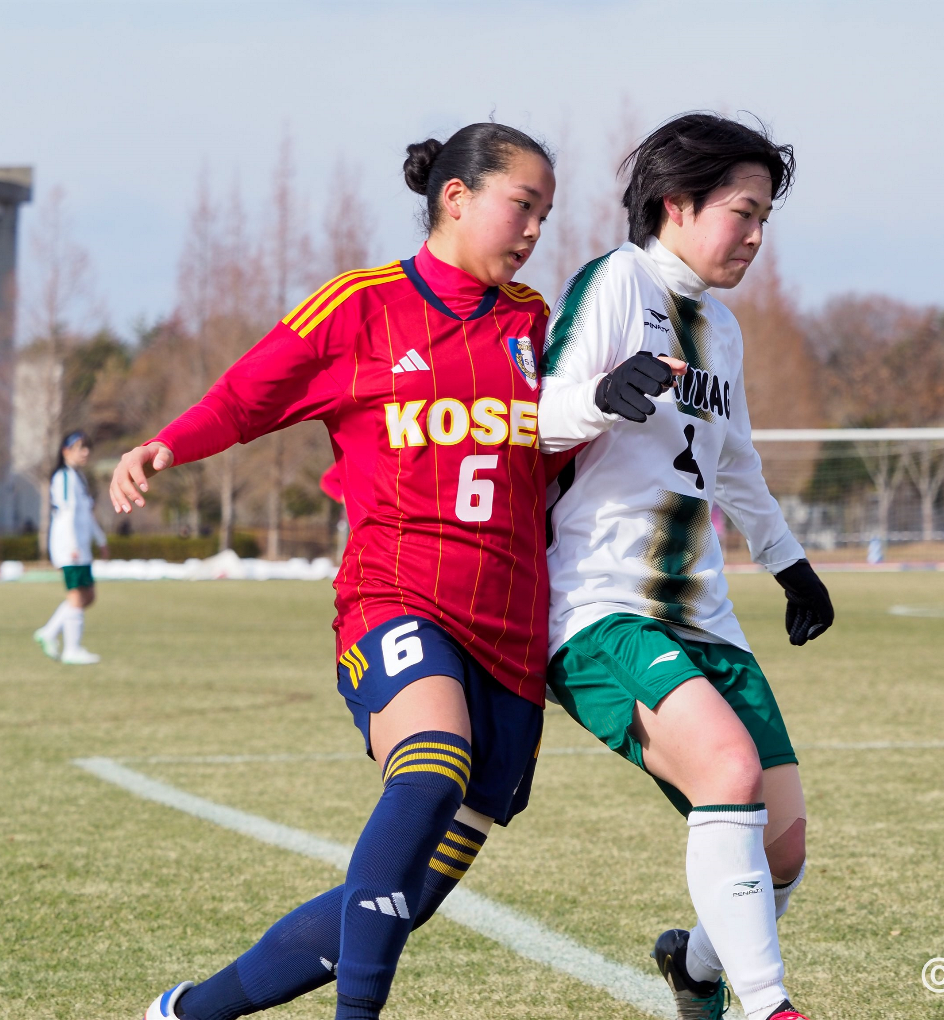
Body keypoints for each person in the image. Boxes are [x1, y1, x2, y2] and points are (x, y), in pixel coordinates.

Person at [112, 123, 558, 1020]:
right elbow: (247, 394)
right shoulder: (360, 306)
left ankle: (185, 1013)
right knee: (430, 772)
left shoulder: (535, 321)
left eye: (546, 214)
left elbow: (563, 454)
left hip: (512, 633)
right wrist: (167, 445)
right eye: (523, 206)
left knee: (406, 900)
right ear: (456, 196)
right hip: (397, 600)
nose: (535, 230)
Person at [538, 113, 833, 1020]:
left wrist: (788, 564)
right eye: (741, 212)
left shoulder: (725, 331)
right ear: (676, 203)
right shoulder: (617, 281)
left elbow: (733, 461)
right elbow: (537, 414)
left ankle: (695, 971)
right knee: (728, 772)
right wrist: (601, 394)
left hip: (702, 611)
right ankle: (771, 1006)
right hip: (600, 608)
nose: (753, 234)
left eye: (764, 219)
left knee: (783, 848)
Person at [33, 430, 108, 665]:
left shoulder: (79, 478)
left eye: (87, 448)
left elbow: (86, 514)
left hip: (82, 547)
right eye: (79, 447)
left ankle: (49, 631)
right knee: (76, 596)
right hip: (69, 547)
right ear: (66, 451)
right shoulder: (63, 477)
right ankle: (71, 649)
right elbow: (66, 514)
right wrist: (73, 545)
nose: (85, 452)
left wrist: (101, 540)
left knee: (89, 595)